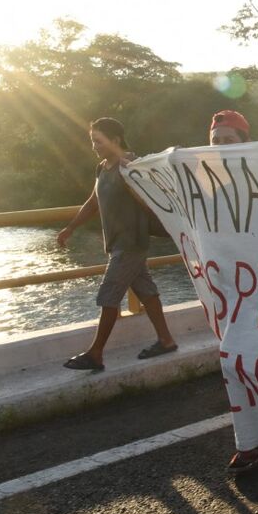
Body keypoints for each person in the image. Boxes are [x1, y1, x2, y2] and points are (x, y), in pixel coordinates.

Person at [56, 118, 178, 372]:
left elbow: (156, 193)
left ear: (116, 140)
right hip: (117, 244)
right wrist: (71, 227)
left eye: (98, 141)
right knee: (146, 291)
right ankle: (166, 340)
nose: (94, 146)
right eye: (92, 141)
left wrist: (134, 170)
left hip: (131, 243)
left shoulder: (130, 166)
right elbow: (93, 202)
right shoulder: (103, 167)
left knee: (109, 295)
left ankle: (96, 353)